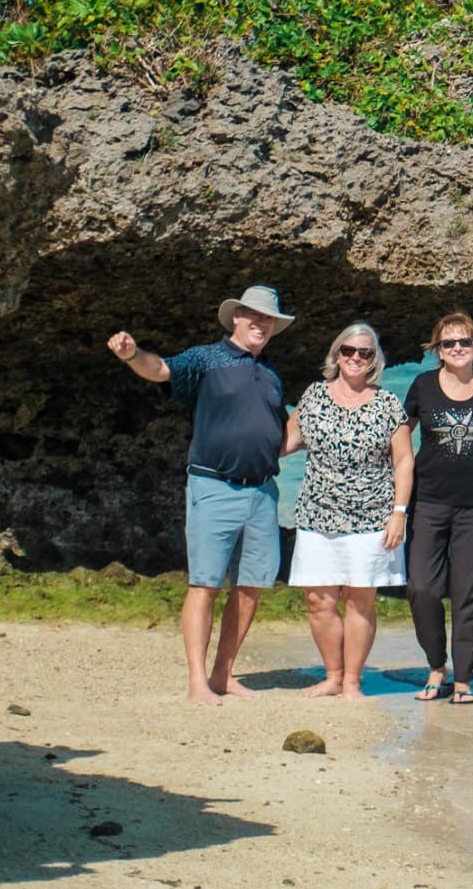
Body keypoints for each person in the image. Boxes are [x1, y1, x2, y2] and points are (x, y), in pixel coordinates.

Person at [107, 285, 297, 706]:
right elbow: (161, 370)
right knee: (205, 584)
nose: (261, 324)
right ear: (236, 318)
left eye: (268, 319)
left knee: (250, 587)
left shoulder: (271, 373)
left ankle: (223, 675)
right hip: (214, 486)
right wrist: (131, 355)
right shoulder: (207, 358)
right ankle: (197, 681)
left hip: (264, 491)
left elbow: (281, 432)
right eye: (254, 316)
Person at [284, 322, 411, 698]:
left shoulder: (388, 403)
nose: (356, 358)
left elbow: (404, 461)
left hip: (373, 517)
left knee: (360, 600)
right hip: (316, 514)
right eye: (349, 351)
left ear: (375, 360)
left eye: (365, 352)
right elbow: (286, 440)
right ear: (336, 354)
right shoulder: (314, 396)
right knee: (317, 601)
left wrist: (399, 512)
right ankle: (333, 675)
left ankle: (353, 681)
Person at [401, 311, 473, 704]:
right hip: (428, 501)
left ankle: (463, 677)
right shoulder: (422, 386)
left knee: (469, 592)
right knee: (422, 588)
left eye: (464, 342)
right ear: (438, 350)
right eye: (449, 343)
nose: (457, 348)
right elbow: (400, 438)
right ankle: (435, 663)